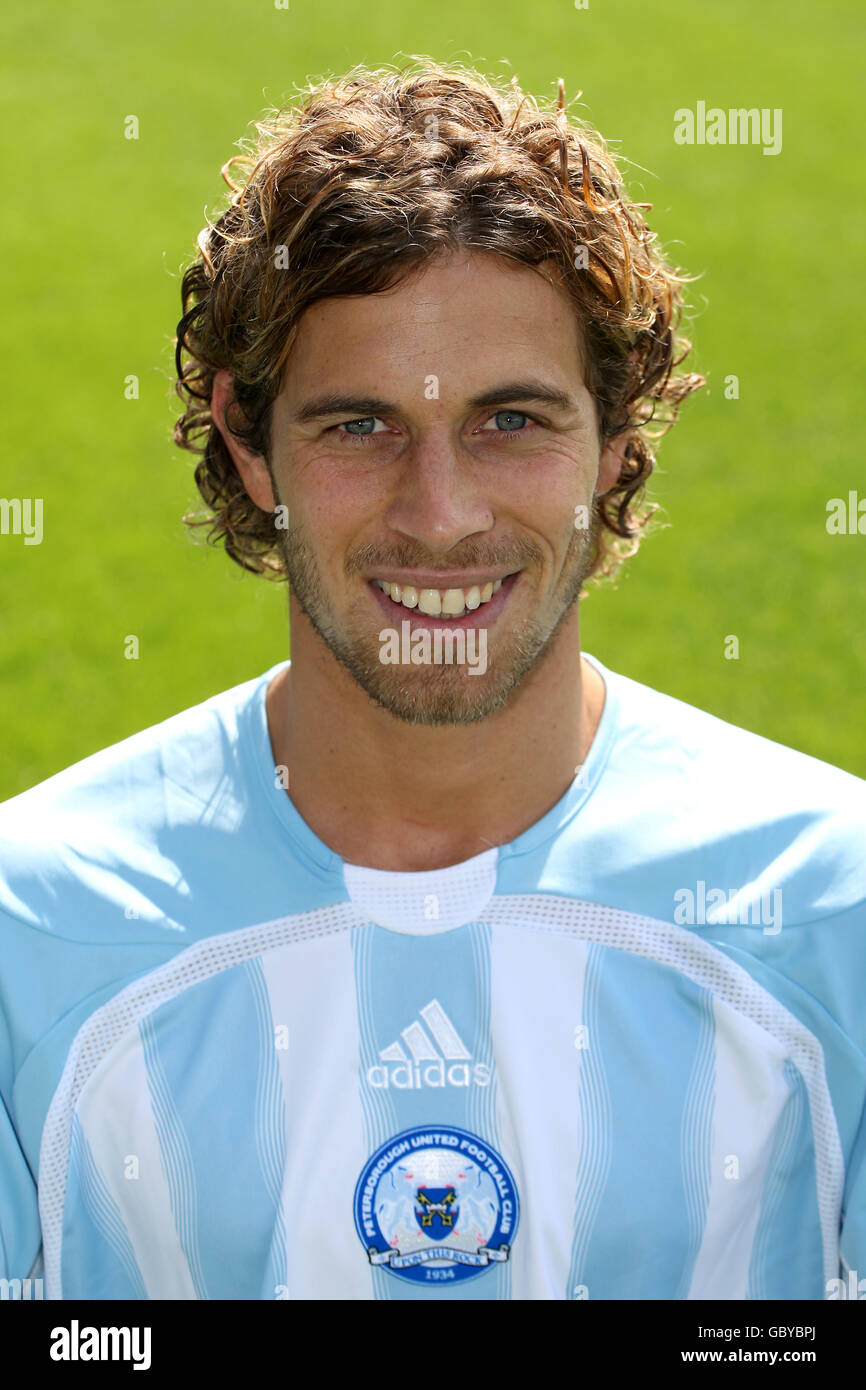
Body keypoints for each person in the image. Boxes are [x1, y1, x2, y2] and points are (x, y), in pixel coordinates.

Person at [1, 59, 864, 1302]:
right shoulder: (31, 931)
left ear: (615, 441)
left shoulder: (826, 907)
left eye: (510, 420)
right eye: (358, 427)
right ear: (249, 444)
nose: (440, 514)